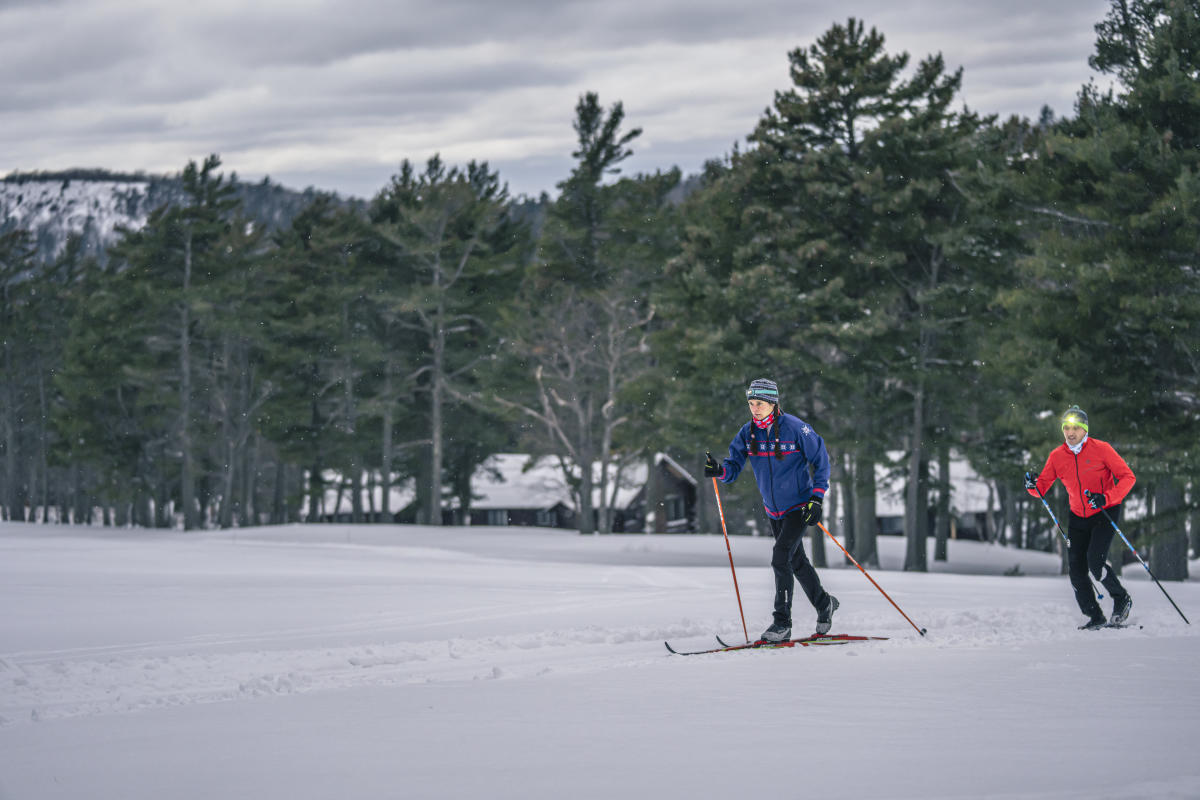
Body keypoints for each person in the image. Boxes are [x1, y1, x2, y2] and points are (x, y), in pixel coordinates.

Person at [704, 378, 835, 642]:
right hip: (773, 509)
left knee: (780, 557)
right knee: (796, 562)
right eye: (751, 403)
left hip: (799, 506)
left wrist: (817, 498)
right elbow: (734, 465)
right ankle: (824, 604)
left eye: (760, 403)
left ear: (773, 403)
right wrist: (720, 471)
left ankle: (781, 624)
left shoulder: (797, 429)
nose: (755, 408)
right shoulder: (747, 432)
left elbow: (822, 461)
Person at [1024, 405, 1136, 629]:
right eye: (1066, 427)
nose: (1070, 431)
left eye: (1076, 427)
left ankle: (1121, 598)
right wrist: (1031, 486)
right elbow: (1041, 489)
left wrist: (1106, 497)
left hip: (1104, 511)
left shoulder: (1101, 449)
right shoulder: (1057, 456)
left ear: (1085, 430)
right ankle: (1095, 615)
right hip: (1078, 516)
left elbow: (1127, 477)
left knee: (1095, 562)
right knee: (1076, 569)